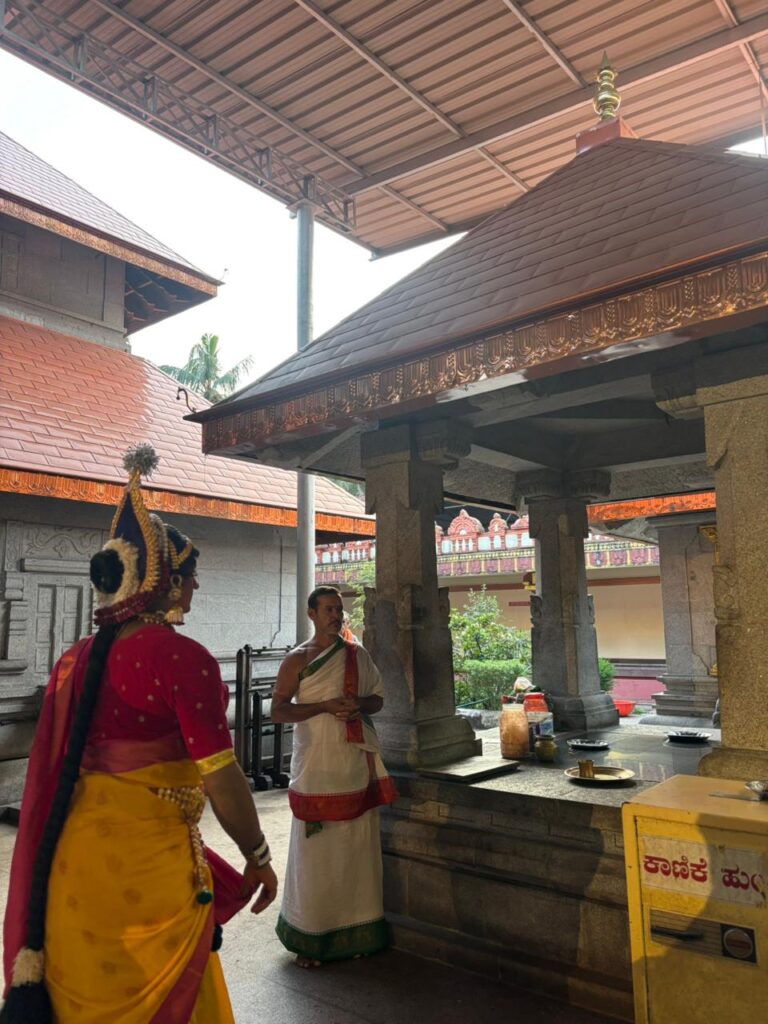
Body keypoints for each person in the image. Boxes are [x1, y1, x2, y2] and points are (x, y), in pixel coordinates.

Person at [2, 445, 277, 1023]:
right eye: (192, 577)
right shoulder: (182, 659)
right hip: (149, 874)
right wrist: (257, 853)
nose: (196, 588)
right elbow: (221, 775)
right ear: (167, 583)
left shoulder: (75, 660)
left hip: (73, 865)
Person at [271, 586, 397, 967]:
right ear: (311, 614)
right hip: (315, 766)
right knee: (317, 854)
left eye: (338, 609)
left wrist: (358, 704)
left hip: (352, 764)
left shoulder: (357, 655)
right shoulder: (297, 660)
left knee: (356, 849)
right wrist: (323, 706)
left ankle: (358, 933)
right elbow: (278, 711)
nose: (335, 616)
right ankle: (310, 939)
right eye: (327, 609)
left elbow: (378, 698)